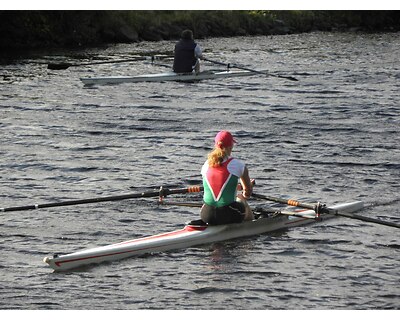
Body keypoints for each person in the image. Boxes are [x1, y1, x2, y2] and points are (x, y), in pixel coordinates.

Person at [200, 130, 253, 225]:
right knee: (241, 198)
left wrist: (236, 187)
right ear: (231, 146)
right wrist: (247, 189)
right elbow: (247, 193)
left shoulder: (206, 164)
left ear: (216, 145)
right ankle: (252, 225)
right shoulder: (238, 165)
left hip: (206, 215)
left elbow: (217, 185)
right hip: (227, 214)